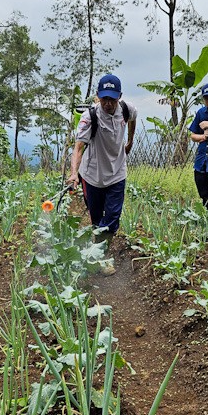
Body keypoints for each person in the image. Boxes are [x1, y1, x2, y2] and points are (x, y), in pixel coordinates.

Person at [67, 74, 137, 276]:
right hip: (92, 176)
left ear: (119, 97)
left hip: (117, 173)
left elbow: (133, 120)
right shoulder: (89, 117)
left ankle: (100, 255)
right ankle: (97, 252)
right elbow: (78, 148)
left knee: (112, 218)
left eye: (112, 99)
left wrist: (130, 141)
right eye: (104, 98)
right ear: (97, 96)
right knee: (97, 220)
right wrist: (74, 174)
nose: (108, 103)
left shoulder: (127, 109)